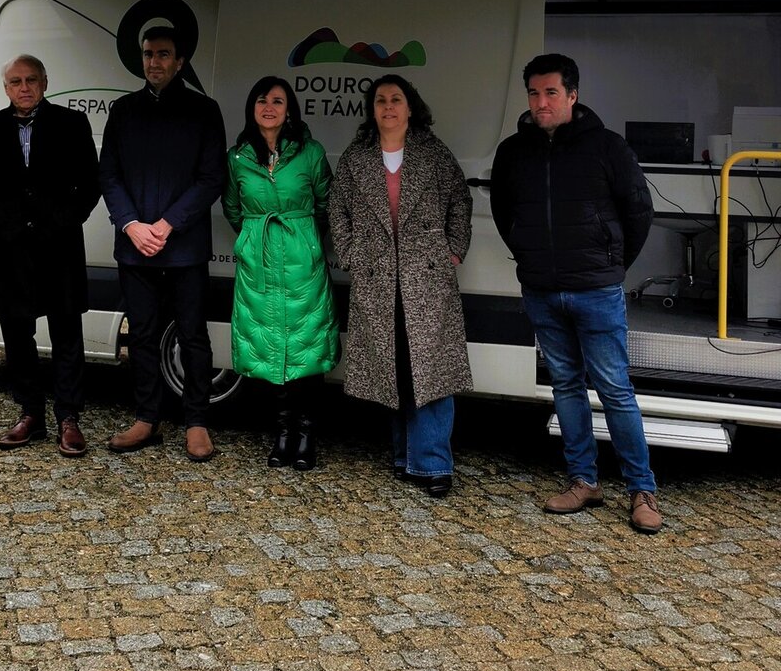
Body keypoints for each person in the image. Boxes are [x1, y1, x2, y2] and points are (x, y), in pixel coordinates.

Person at [488, 52, 661, 535]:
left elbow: (639, 212)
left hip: (596, 290)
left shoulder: (607, 147)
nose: (541, 102)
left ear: (572, 95)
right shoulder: (513, 151)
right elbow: (505, 213)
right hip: (542, 289)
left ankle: (641, 490)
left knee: (615, 391)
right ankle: (583, 481)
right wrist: (528, 253)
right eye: (534, 93)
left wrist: (610, 265)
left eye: (551, 92)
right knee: (565, 386)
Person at [329, 74, 473, 498]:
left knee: (430, 369)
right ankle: (404, 456)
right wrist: (353, 254)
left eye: (396, 100)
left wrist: (453, 252)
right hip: (377, 279)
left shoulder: (434, 153)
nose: (388, 107)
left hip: (426, 279)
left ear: (411, 107)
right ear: (372, 110)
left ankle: (433, 465)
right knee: (394, 367)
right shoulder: (357, 159)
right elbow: (337, 211)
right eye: (380, 100)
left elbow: (460, 202)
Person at [98, 26, 226, 462]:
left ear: (180, 61)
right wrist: (132, 224)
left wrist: (168, 224)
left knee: (192, 336)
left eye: (163, 54)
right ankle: (146, 419)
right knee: (145, 336)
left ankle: (196, 422)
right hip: (135, 246)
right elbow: (108, 175)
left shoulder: (204, 111)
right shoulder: (123, 110)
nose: (154, 62)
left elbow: (212, 178)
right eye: (149, 53)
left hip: (184, 246)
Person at [0, 55, 101, 456]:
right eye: (16, 81)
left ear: (45, 82)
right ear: (5, 87)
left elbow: (90, 184)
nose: (24, 87)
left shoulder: (72, 124)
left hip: (60, 246)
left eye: (32, 80)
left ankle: (69, 418)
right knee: (17, 335)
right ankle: (30, 415)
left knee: (67, 334)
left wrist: (62, 221)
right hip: (9, 250)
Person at [223, 76, 338, 470]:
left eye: (277, 100)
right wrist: (254, 240)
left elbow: (326, 204)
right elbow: (234, 209)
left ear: (290, 109)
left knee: (305, 348)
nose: (268, 107)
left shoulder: (310, 152)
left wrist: (305, 241)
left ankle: (306, 435)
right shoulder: (237, 157)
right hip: (260, 263)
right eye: (261, 100)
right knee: (274, 350)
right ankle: (283, 432)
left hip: (302, 262)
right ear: (251, 108)